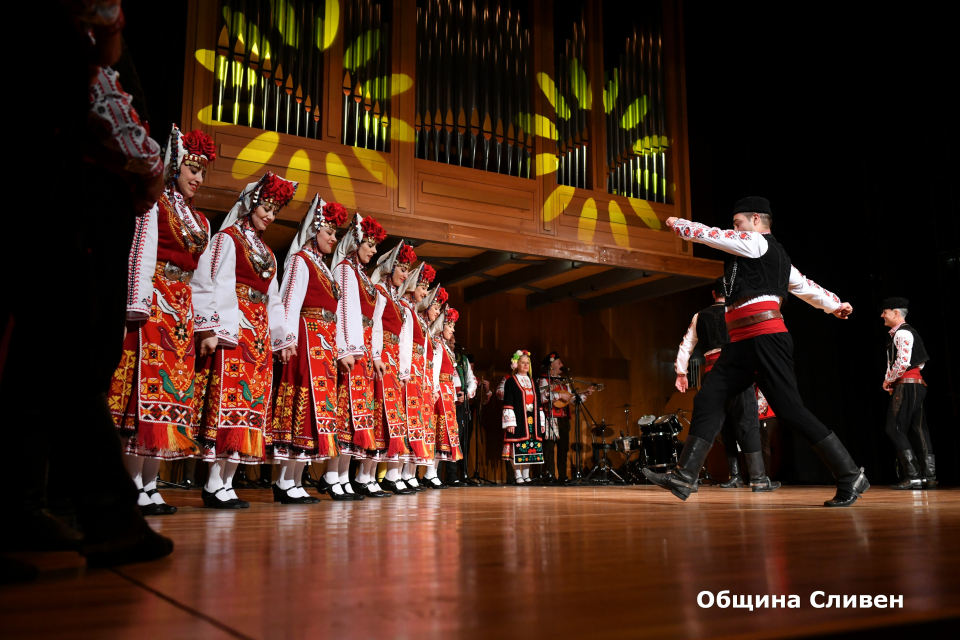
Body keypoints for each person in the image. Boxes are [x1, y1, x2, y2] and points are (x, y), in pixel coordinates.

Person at [649, 196, 867, 507]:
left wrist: (679, 225)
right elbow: (805, 286)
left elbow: (714, 236)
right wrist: (834, 305)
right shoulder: (774, 256)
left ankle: (849, 474)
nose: (733, 229)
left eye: (737, 223)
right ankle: (686, 475)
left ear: (755, 220)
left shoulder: (757, 241)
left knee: (791, 410)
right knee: (709, 397)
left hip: (765, 337)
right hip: (740, 344)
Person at [106, 125, 216, 516]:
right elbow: (141, 255)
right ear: (175, 166)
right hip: (154, 306)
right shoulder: (156, 204)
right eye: (193, 169)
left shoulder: (201, 222)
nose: (199, 178)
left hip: (182, 312)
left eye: (203, 172)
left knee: (172, 399)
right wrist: (134, 306)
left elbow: (203, 280)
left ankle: (150, 483)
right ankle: (133, 482)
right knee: (145, 396)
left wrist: (205, 327)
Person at [191, 172, 294, 508]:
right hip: (234, 331)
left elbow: (274, 299)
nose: (270, 214)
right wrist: (214, 328)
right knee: (228, 406)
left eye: (274, 210)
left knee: (250, 409)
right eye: (266, 206)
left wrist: (281, 338)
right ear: (251, 203)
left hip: (259, 336)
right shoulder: (227, 239)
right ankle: (212, 483)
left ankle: (228, 482)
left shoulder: (267, 253)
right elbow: (212, 282)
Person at [271, 196, 349, 504]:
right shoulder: (301, 260)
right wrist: (286, 339)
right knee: (300, 409)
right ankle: (283, 480)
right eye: (328, 231)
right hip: (305, 340)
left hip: (324, 345)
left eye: (335, 234)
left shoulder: (323, 267)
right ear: (313, 230)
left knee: (316, 415)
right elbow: (290, 302)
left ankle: (295, 479)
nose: (333, 238)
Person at [674, 279, 779, 491]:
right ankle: (758, 478)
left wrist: (681, 373)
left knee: (725, 426)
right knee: (748, 422)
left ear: (713, 294)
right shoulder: (738, 311)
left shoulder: (699, 315)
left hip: (712, 374)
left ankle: (735, 476)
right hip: (737, 371)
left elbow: (686, 345)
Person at [325, 213, 387, 499]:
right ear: (356, 242)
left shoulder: (361, 275)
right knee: (343, 414)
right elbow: (342, 312)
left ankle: (343, 477)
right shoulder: (344, 269)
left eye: (375, 246)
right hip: (350, 350)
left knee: (357, 418)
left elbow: (373, 322)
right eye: (370, 244)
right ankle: (331, 475)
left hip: (361, 352)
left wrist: (374, 354)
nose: (373, 251)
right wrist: (345, 349)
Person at [370, 241, 418, 495]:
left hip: (392, 360)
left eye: (407, 270)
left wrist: (403, 370)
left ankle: (388, 474)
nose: (405, 274)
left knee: (393, 418)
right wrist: (376, 354)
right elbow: (375, 324)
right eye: (402, 268)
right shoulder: (378, 290)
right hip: (380, 358)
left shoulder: (397, 300)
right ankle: (367, 475)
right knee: (380, 415)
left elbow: (403, 339)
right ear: (390, 267)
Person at [880, 298, 935, 489]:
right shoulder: (908, 332)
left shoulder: (902, 333)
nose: (882, 315)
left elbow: (902, 362)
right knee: (918, 428)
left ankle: (912, 476)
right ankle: (928, 476)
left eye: (885, 311)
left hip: (907, 383)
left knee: (894, 428)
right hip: (917, 384)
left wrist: (889, 380)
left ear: (896, 312)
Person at [397, 263, 438, 491]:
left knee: (415, 423)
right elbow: (405, 342)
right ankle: (398, 474)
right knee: (406, 420)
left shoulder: (415, 314)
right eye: (422, 287)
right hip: (408, 372)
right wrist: (406, 371)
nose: (425, 292)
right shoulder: (405, 307)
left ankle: (407, 474)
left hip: (417, 375)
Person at [537, 352, 595, 484]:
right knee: (549, 448)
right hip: (550, 418)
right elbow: (541, 397)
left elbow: (571, 399)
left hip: (563, 418)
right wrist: (559, 396)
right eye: (559, 363)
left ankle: (562, 476)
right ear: (552, 365)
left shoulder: (563, 382)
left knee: (563, 448)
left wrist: (585, 394)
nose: (562, 365)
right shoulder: (543, 379)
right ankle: (550, 476)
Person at [425, 305, 465, 487]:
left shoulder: (445, 347)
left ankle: (432, 472)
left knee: (444, 434)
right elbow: (434, 370)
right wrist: (435, 389)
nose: (453, 330)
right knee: (437, 431)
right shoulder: (438, 345)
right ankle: (429, 472)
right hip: (440, 390)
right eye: (450, 326)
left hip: (447, 391)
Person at [502, 351, 547, 484]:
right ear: (517, 364)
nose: (526, 365)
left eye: (528, 363)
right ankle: (518, 475)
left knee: (529, 447)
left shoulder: (533, 382)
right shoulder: (511, 381)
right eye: (523, 362)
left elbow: (538, 404)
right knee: (517, 446)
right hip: (519, 420)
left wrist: (542, 422)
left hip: (532, 419)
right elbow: (508, 402)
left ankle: (526, 475)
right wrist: (510, 422)